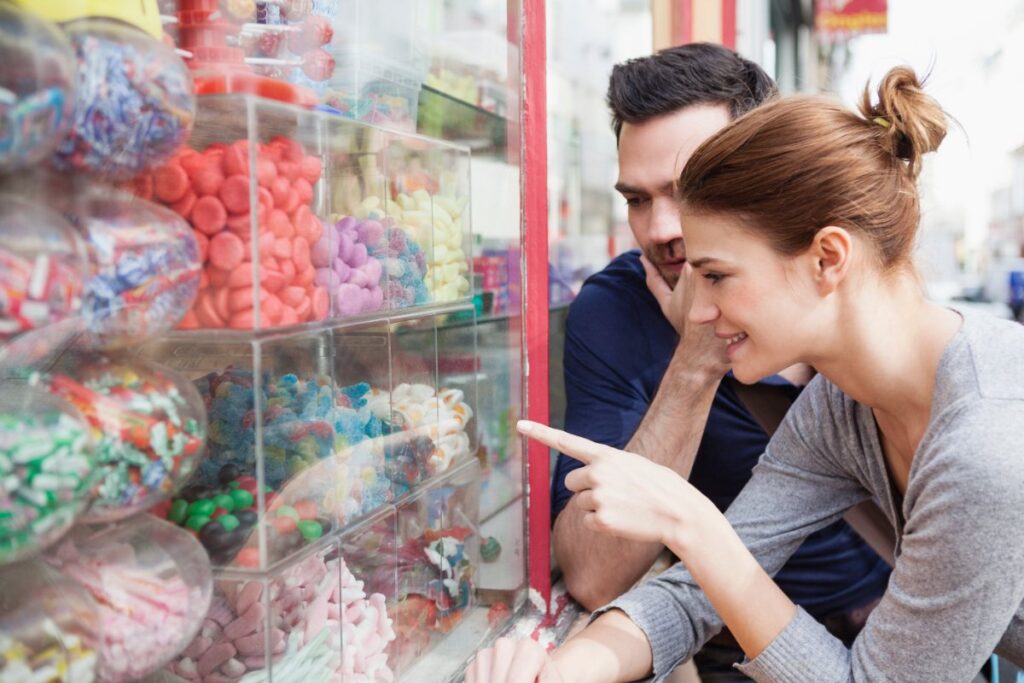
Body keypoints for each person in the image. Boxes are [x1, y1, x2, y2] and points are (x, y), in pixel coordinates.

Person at [466, 66, 1024, 682]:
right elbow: (695, 594)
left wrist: (692, 522)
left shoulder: (985, 445)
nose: (696, 312)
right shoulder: (844, 404)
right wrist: (557, 672)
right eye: (636, 200)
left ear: (826, 258)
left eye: (717, 276)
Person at [550, 43, 890, 679]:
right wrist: (697, 358)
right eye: (637, 199)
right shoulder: (618, 310)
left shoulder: (844, 280)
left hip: (904, 618)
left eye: (687, 191)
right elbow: (596, 576)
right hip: (738, 651)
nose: (659, 229)